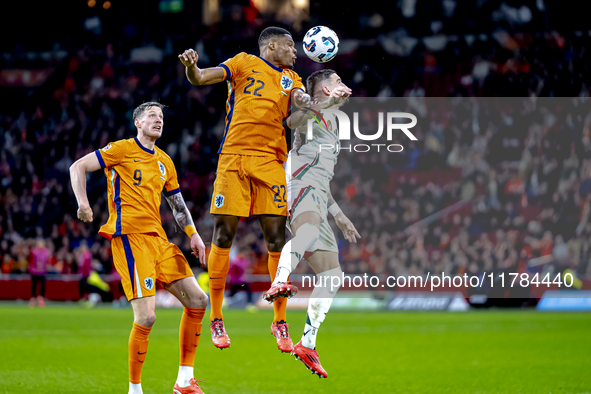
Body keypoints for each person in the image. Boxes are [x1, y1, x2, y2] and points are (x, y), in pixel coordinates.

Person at [178, 26, 311, 352]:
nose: (295, 52)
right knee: (223, 235)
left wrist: (304, 105)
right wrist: (191, 67)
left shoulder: (292, 79)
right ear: (273, 45)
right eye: (291, 46)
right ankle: (217, 317)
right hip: (234, 159)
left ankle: (279, 321)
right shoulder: (242, 62)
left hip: (271, 162)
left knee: (277, 238)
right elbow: (201, 78)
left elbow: (293, 119)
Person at [69, 102, 209, 394]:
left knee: (198, 300)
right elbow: (78, 166)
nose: (159, 120)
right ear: (138, 122)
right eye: (152, 116)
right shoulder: (121, 149)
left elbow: (177, 205)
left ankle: (184, 382)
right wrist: (83, 203)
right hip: (131, 237)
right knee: (146, 317)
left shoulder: (165, 161)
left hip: (159, 240)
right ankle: (134, 390)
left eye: (161, 117)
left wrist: (193, 234)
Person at [263, 70, 360, 378]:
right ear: (323, 89)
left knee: (332, 275)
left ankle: (307, 343)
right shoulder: (310, 114)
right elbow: (290, 122)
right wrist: (318, 104)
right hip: (298, 187)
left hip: (317, 193)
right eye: (338, 81)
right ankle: (280, 279)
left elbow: (323, 179)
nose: (345, 86)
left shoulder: (332, 125)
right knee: (305, 231)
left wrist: (340, 215)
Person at [29, 238, 50, 308]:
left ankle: (40, 298)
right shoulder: (34, 251)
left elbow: (47, 261)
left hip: (42, 271)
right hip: (34, 271)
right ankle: (33, 299)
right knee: (34, 285)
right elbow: (30, 260)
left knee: (43, 286)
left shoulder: (46, 251)